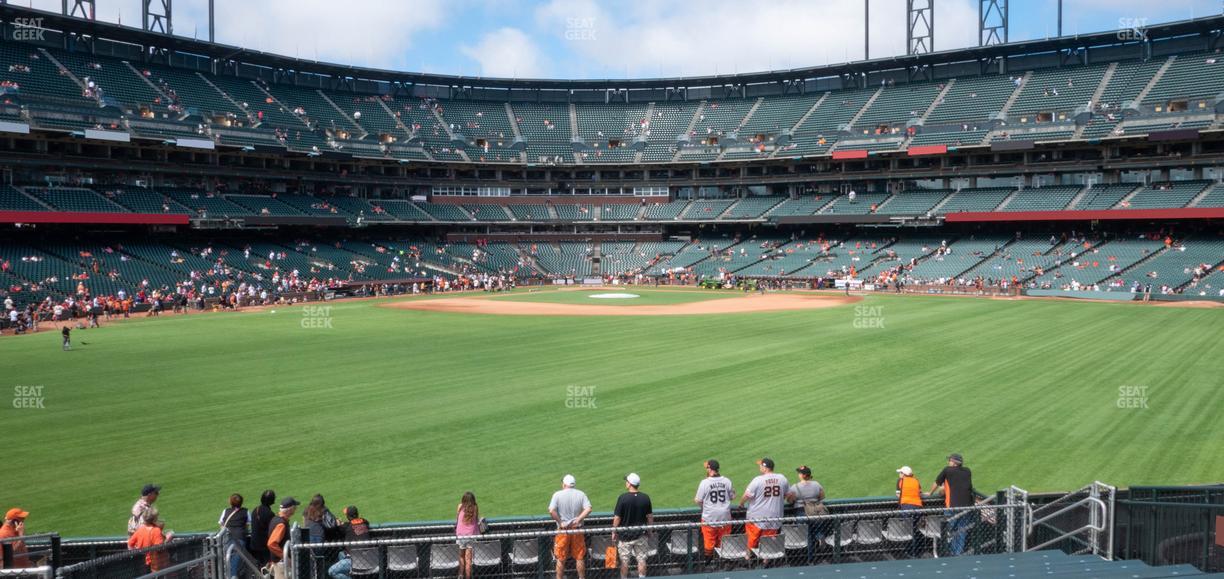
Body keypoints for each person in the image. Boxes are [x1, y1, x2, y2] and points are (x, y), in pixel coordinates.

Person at [738, 458, 788, 561]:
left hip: (756, 518)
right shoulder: (782, 478)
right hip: (774, 517)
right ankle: (766, 562)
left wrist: (741, 503)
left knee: (751, 540)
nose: (759, 467)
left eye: (761, 465)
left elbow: (746, 496)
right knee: (768, 543)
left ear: (765, 467)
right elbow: (789, 495)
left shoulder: (758, 480)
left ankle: (748, 559)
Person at [929, 454, 979, 556]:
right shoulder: (967, 471)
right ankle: (957, 553)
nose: (949, 462)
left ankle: (946, 552)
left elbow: (937, 482)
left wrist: (930, 493)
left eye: (950, 461)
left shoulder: (948, 470)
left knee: (946, 529)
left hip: (953, 506)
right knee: (961, 531)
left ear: (954, 463)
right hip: (966, 506)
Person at [549, 474, 592, 579]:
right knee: (579, 557)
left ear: (564, 484)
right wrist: (578, 519)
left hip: (563, 530)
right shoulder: (581, 494)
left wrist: (560, 521)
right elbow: (588, 508)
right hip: (576, 530)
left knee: (560, 558)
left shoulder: (557, 494)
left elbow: (551, 510)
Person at [611, 473, 653, 579]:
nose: (626, 483)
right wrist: (650, 530)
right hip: (641, 534)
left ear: (630, 484)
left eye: (627, 481)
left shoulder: (623, 498)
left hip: (625, 536)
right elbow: (649, 517)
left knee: (624, 562)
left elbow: (617, 518)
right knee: (642, 560)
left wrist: (614, 532)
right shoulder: (645, 497)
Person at [693, 460, 734, 564]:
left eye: (707, 468)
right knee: (724, 542)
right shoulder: (727, 481)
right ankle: (724, 563)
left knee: (709, 542)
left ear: (710, 469)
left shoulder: (705, 482)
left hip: (709, 517)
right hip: (725, 517)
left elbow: (698, 500)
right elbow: (732, 496)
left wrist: (704, 507)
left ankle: (708, 564)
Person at [786, 465, 826, 554]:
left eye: (799, 473)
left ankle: (810, 559)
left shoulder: (795, 487)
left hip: (801, 512)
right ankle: (820, 536)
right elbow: (822, 496)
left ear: (804, 475)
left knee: (807, 534)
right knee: (814, 529)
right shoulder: (817, 484)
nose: (798, 475)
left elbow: (790, 501)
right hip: (815, 512)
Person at [327, 506, 371, 579]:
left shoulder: (346, 527)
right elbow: (356, 524)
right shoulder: (365, 523)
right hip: (369, 560)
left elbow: (339, 527)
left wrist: (339, 523)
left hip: (354, 561)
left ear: (348, 516)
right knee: (341, 554)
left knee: (331, 571)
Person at [127, 508, 173, 573]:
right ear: (154, 519)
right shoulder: (156, 530)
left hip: (143, 562)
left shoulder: (140, 529)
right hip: (157, 562)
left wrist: (137, 552)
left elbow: (130, 544)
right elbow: (159, 548)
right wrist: (168, 539)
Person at [267, 497, 300, 578]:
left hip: (279, 563)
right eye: (294, 508)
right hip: (281, 564)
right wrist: (285, 557)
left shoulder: (275, 519)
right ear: (289, 509)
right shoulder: (281, 524)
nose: (295, 510)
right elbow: (271, 543)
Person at [219, 494, 249, 579]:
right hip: (240, 538)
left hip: (228, 538)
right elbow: (247, 525)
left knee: (229, 560)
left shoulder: (226, 511)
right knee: (237, 562)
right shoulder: (245, 511)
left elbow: (221, 524)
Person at [896, 466, 924, 557]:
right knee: (915, 529)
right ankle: (916, 551)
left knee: (908, 530)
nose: (899, 474)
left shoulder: (901, 481)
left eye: (901, 473)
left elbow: (898, 495)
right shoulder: (916, 480)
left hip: (907, 507)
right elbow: (920, 493)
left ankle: (909, 551)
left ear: (904, 474)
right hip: (918, 508)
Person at [455, 492, 480, 579]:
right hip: (471, 537)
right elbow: (477, 520)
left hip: (460, 536)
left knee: (461, 557)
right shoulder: (475, 507)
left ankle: (460, 575)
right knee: (468, 560)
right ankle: (468, 577)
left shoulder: (460, 506)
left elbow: (457, 519)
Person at [248, 490, 276, 566]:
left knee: (259, 566)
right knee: (267, 566)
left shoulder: (255, 510)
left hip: (254, 544)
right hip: (264, 545)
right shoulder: (269, 514)